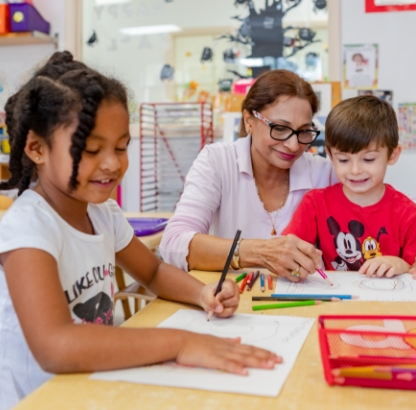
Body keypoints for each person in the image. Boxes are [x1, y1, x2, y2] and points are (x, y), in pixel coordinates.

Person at [0, 52, 281, 409]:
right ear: (37, 148)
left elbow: (152, 270)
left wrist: (202, 293)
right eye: (90, 149)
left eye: (121, 147)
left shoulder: (102, 213)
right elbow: (56, 347)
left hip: (90, 385)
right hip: (40, 398)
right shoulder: (29, 227)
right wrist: (180, 342)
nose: (112, 164)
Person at [160, 70, 416, 282]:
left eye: (304, 132)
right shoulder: (218, 161)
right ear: (249, 120)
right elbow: (173, 243)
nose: (293, 144)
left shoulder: (321, 171)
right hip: (230, 298)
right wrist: (258, 252)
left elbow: (399, 201)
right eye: (280, 128)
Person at [283, 96, 416, 277]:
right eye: (343, 160)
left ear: (393, 155)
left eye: (368, 159)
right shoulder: (314, 204)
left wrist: (402, 265)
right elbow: (287, 251)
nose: (355, 170)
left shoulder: (411, 216)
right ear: (330, 155)